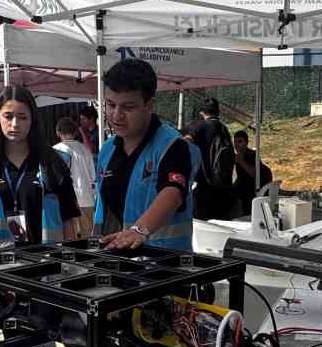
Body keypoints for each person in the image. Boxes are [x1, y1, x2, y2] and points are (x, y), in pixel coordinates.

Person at [92, 58, 196, 251]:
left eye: (128, 107)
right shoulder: (107, 149)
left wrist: (138, 230)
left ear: (149, 105)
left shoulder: (172, 145)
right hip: (113, 262)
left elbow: (172, 193)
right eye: (110, 104)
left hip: (162, 266)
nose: (116, 115)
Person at [0, 87, 82, 249]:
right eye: (8, 116)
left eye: (22, 117)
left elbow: (69, 221)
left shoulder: (52, 163)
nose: (15, 124)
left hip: (46, 265)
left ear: (32, 120)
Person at [185, 97, 236, 220]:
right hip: (224, 188)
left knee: (202, 227)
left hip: (204, 188)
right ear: (218, 111)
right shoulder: (224, 129)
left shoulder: (201, 126)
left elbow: (185, 142)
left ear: (202, 112)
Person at [53, 115, 98, 226]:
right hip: (87, 198)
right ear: (75, 132)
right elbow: (93, 176)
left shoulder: (55, 150)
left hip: (66, 201)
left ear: (58, 132)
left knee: (69, 238)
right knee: (89, 237)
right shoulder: (85, 149)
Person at [230, 129, 273, 216]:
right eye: (235, 142)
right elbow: (240, 177)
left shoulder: (252, 155)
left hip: (253, 190)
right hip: (244, 188)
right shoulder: (238, 156)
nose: (237, 145)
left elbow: (253, 173)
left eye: (240, 141)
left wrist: (241, 161)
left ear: (246, 143)